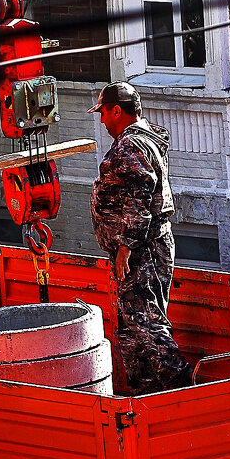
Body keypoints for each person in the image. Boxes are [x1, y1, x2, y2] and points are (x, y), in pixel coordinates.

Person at [88, 82, 192, 394]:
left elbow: (138, 196)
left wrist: (125, 246)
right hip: (146, 247)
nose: (103, 120)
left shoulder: (130, 147)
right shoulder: (145, 139)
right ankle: (146, 395)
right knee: (134, 329)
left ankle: (185, 387)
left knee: (146, 326)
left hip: (140, 251)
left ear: (117, 111)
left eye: (104, 113)